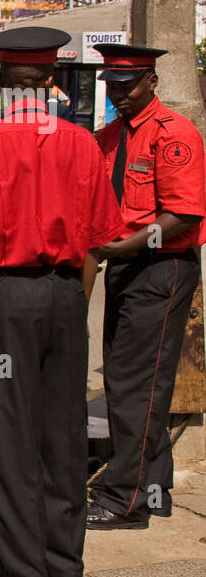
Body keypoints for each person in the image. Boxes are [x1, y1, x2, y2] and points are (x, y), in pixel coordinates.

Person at [0, 27, 126, 577]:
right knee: (63, 427)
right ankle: (65, 563)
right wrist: (75, 300)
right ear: (52, 83)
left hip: (10, 298)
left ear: (0, 83)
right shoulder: (84, 145)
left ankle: (23, 568)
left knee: (10, 429)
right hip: (67, 295)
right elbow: (96, 243)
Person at [87, 43, 206, 530]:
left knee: (138, 386)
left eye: (128, 86)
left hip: (160, 266)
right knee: (127, 380)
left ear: (152, 82)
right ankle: (154, 487)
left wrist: (124, 247)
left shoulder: (173, 135)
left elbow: (183, 215)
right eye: (112, 86)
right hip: (126, 265)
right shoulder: (113, 135)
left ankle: (125, 500)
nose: (119, 95)